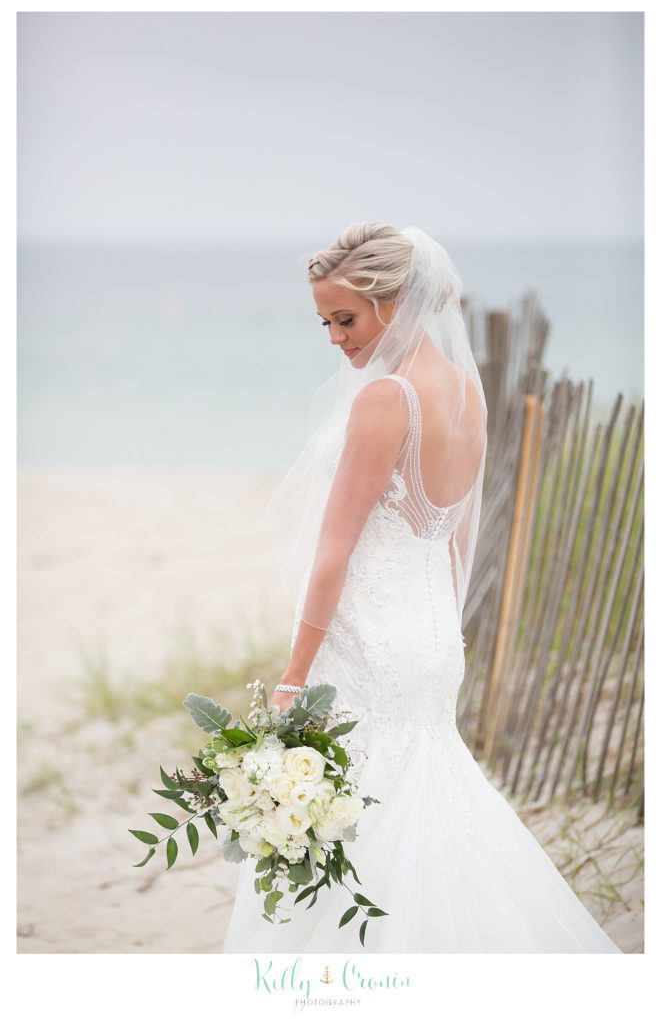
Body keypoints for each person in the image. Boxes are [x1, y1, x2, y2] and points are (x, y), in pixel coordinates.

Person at [221, 222, 622, 953]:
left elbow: (332, 552)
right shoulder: (467, 395)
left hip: (370, 644)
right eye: (324, 322)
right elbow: (453, 539)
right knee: (424, 808)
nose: (335, 339)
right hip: (433, 639)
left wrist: (291, 679)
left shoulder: (386, 400)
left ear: (396, 301)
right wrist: (444, 631)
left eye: (345, 318)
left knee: (356, 824)